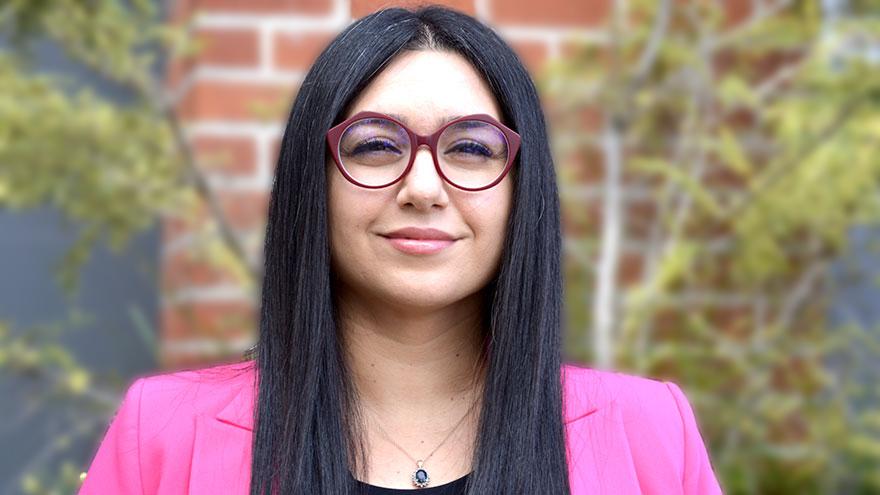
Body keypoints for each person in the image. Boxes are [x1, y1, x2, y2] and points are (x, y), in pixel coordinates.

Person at [78, 5, 723, 495]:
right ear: (314, 183)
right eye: (375, 145)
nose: (422, 188)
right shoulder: (160, 435)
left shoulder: (651, 435)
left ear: (523, 193)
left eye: (471, 148)